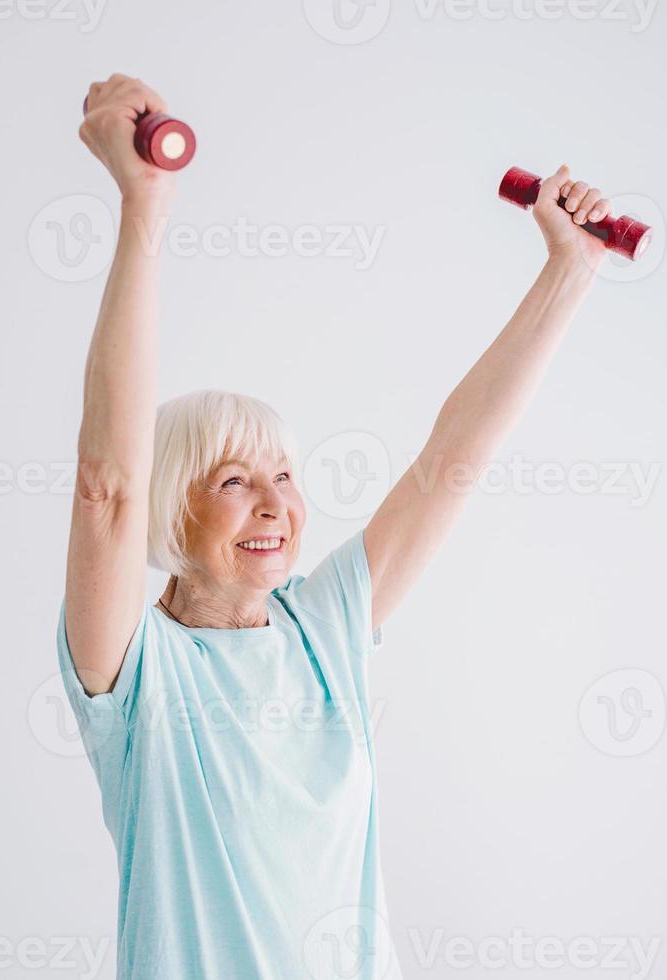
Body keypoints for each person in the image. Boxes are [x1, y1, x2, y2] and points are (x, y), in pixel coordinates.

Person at [57, 73, 613, 980]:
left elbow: (454, 457)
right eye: (234, 479)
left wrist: (569, 270)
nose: (275, 504)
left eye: (284, 474)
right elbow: (106, 487)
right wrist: (143, 203)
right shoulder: (136, 671)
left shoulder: (324, 633)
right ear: (172, 506)